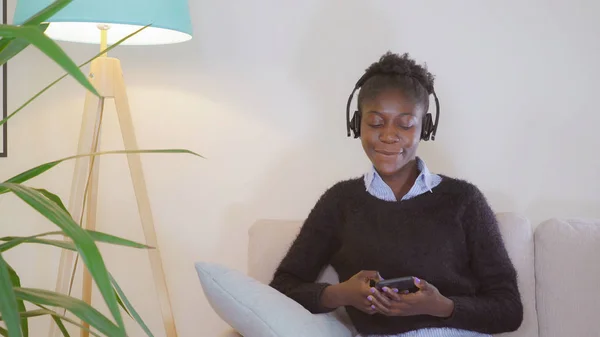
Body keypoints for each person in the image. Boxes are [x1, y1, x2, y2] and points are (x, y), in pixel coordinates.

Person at [269, 51, 523, 337]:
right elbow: (282, 287)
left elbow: (509, 309)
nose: (389, 136)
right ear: (357, 124)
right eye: (376, 122)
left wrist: (442, 306)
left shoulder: (463, 200)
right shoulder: (340, 203)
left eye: (405, 124)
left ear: (425, 128)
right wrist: (341, 294)